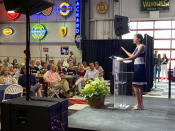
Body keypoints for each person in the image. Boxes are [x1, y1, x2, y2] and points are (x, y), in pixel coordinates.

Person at [121, 34, 147, 110]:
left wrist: (122, 59)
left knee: (135, 85)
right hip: (138, 66)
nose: (133, 39)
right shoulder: (137, 47)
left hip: (139, 67)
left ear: (139, 39)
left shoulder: (141, 46)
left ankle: (139, 104)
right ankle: (140, 104)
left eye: (134, 38)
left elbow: (133, 57)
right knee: (139, 86)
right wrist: (124, 50)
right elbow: (131, 55)